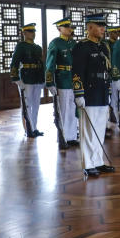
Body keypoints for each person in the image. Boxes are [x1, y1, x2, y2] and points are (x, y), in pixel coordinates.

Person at [72, 13, 116, 178]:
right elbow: (77, 72)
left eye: (103, 26)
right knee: (89, 130)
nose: (103, 29)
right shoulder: (81, 47)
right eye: (99, 26)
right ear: (89, 27)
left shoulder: (103, 46)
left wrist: (109, 91)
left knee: (99, 129)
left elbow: (108, 71)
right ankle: (88, 164)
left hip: (102, 90)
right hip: (89, 92)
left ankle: (98, 161)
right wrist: (79, 93)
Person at [46, 17, 78, 148]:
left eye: (70, 26)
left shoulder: (73, 43)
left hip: (73, 79)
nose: (69, 29)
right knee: (63, 109)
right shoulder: (56, 43)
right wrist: (50, 82)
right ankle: (63, 137)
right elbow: (50, 64)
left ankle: (71, 136)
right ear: (59, 28)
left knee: (72, 108)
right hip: (62, 78)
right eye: (66, 26)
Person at [10, 22, 45, 138]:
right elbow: (14, 62)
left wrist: (43, 78)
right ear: (24, 33)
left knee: (36, 105)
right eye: (30, 32)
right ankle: (28, 129)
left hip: (37, 78)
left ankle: (34, 128)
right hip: (26, 77)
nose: (33, 34)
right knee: (27, 105)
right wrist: (16, 78)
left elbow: (41, 64)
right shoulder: (21, 46)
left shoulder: (37, 48)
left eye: (34, 31)